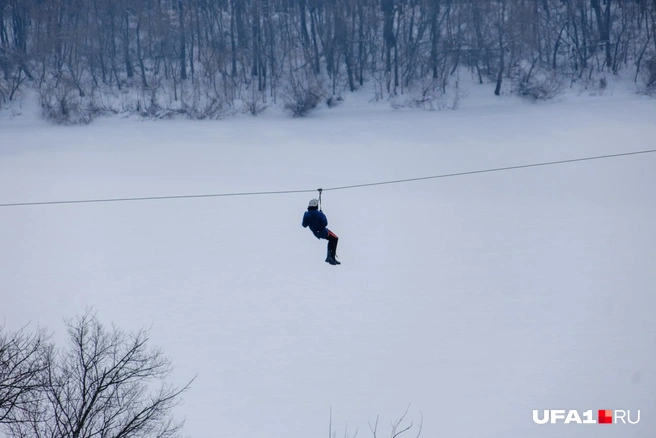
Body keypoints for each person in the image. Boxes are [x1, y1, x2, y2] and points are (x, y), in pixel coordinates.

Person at [302, 198, 340, 265]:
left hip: (316, 233)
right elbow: (325, 223)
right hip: (322, 231)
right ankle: (330, 257)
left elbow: (304, 225)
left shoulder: (306, 214)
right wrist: (322, 214)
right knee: (335, 238)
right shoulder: (319, 214)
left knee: (332, 239)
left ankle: (330, 257)